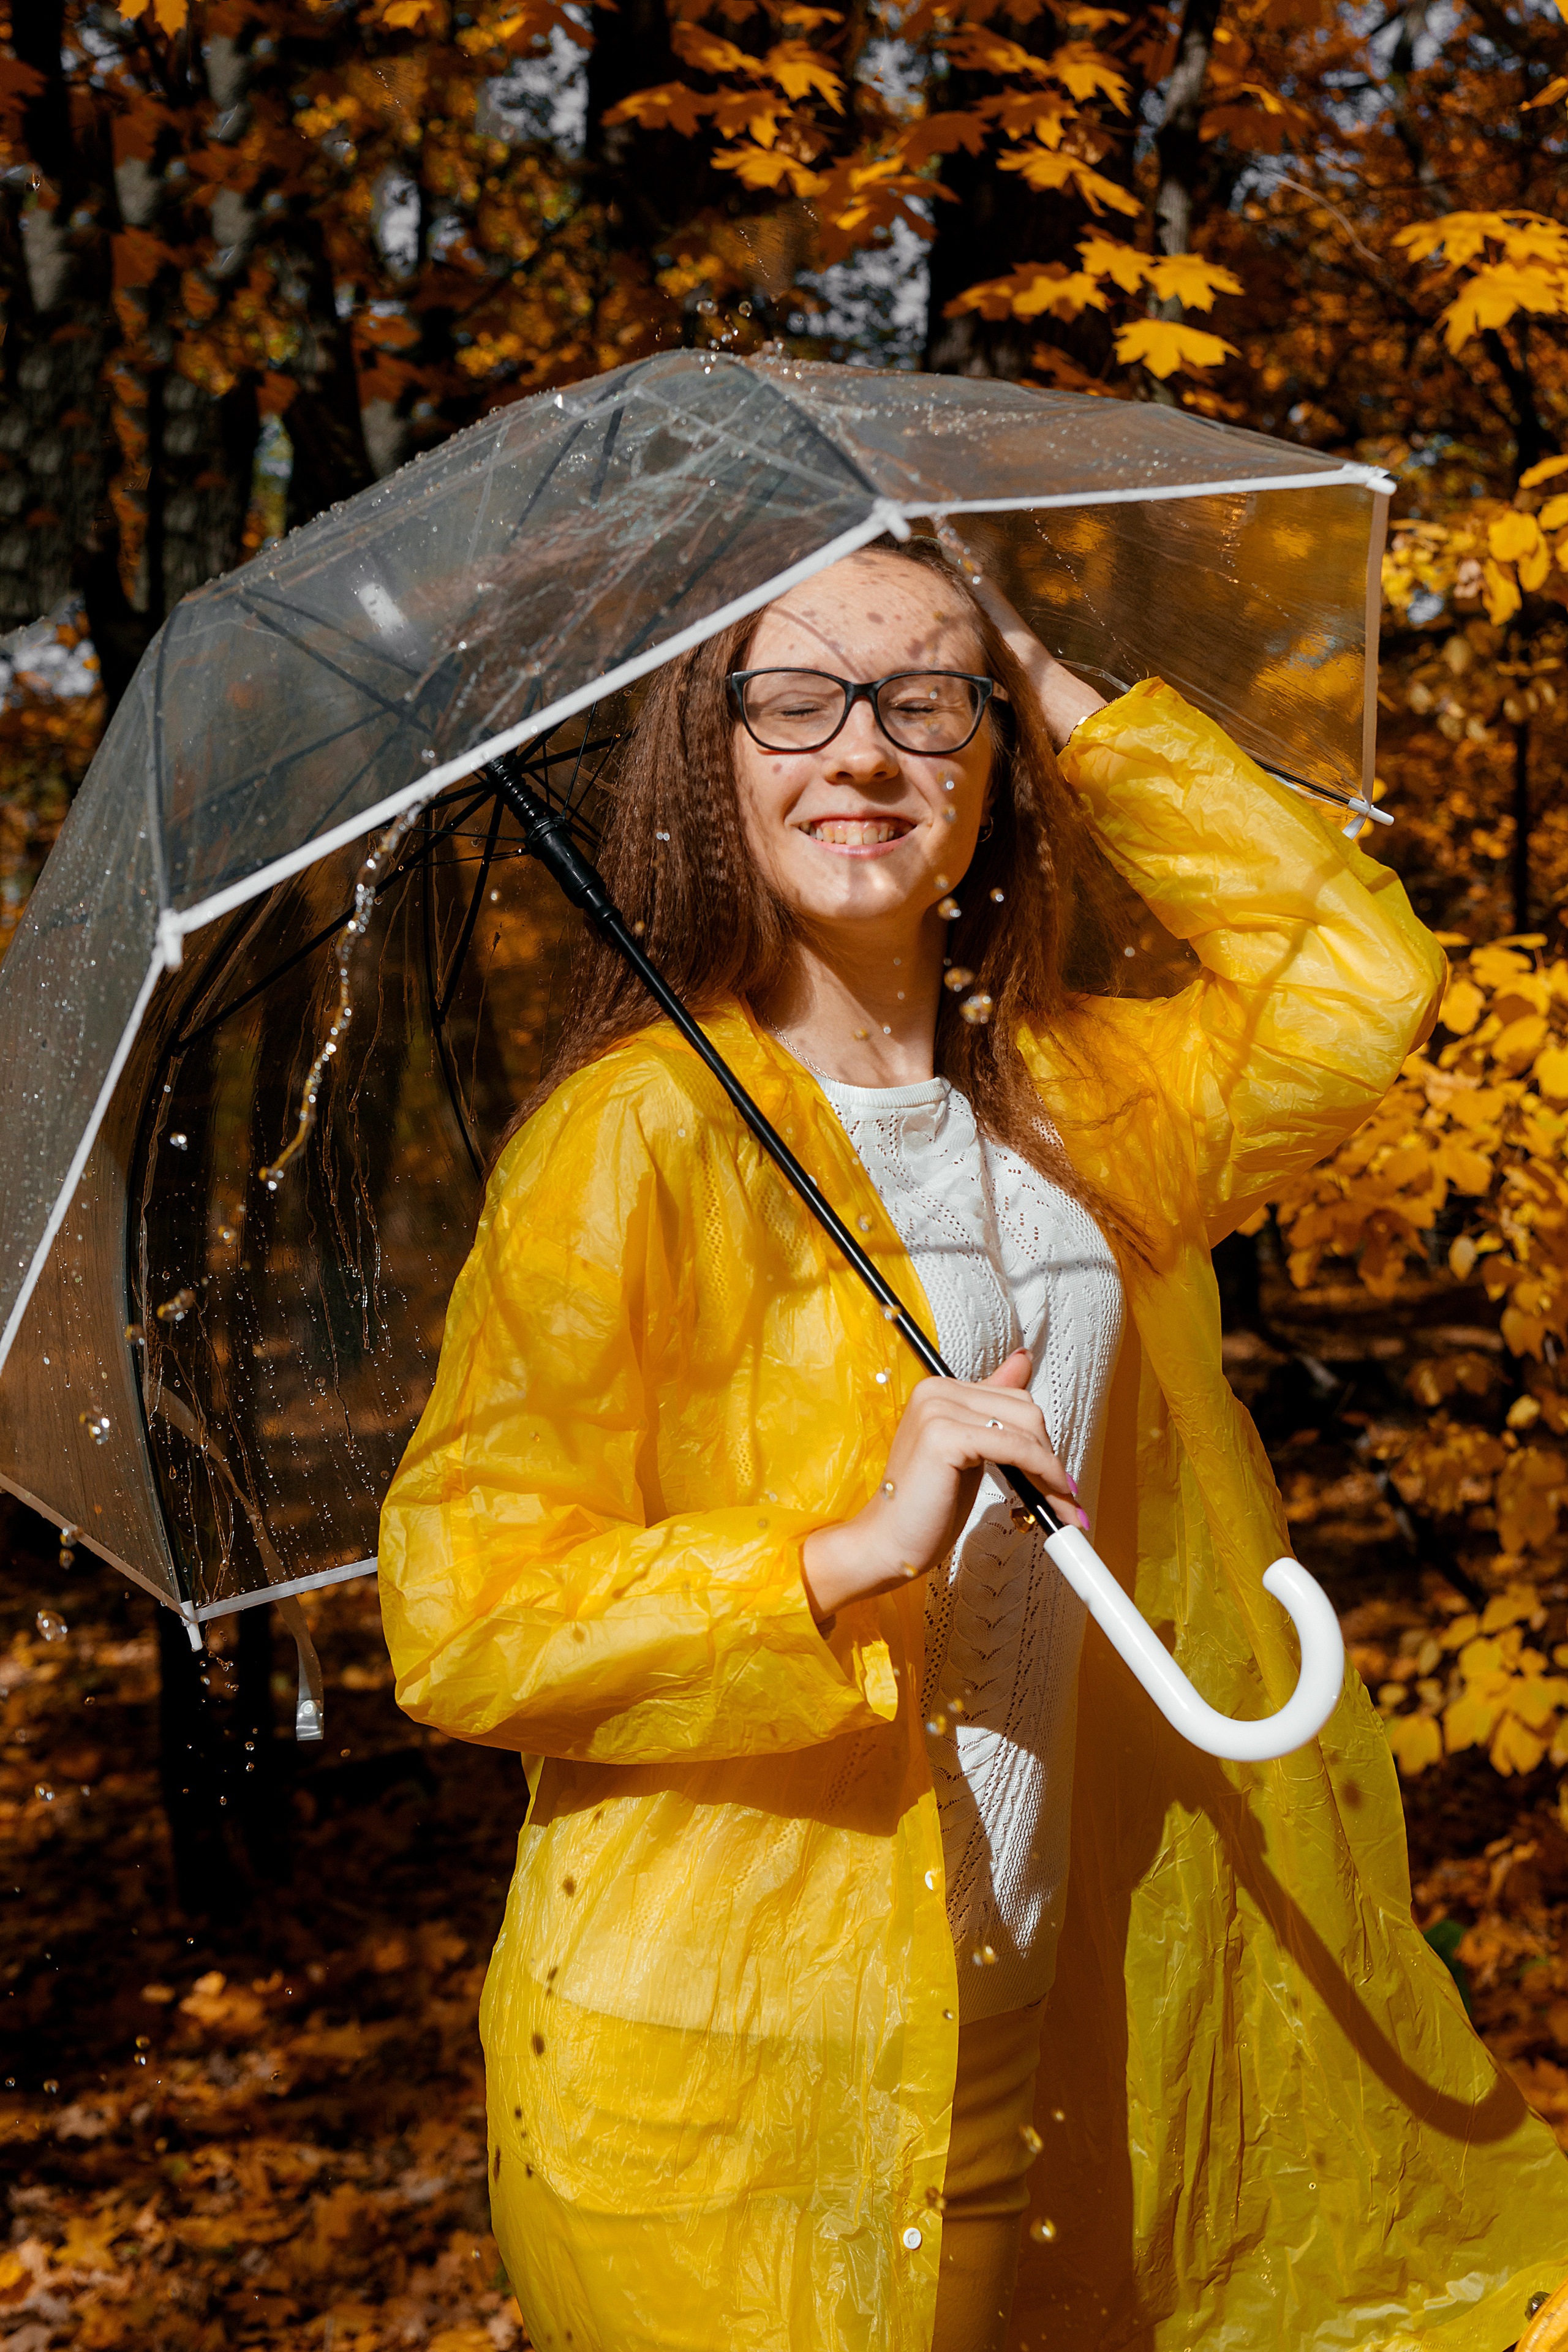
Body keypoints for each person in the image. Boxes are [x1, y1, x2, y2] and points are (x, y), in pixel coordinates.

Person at [379, 539, 1568, 2352]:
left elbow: (1348, 976)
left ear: (991, 759)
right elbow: (463, 1616)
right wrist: (842, 1554)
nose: (860, 752)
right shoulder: (634, 1142)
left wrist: (1038, 663)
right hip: (746, 2074)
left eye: (923, 702)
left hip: (1078, 2025)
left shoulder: (1087, 1097)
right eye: (795, 697)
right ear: (712, 758)